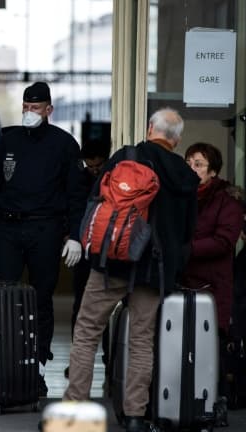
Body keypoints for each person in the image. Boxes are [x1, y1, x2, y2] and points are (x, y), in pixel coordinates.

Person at [64, 108, 200, 432]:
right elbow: (186, 233)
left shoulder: (127, 157)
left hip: (113, 261)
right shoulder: (185, 175)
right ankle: (136, 416)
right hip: (155, 269)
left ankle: (74, 411)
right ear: (177, 139)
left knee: (86, 332)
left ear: (149, 127)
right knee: (142, 340)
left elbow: (96, 202)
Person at [0, 81, 85, 396]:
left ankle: (37, 366)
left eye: (35, 108)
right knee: (0, 297)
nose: (29, 113)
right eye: (26, 107)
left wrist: (75, 236)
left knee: (40, 300)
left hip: (46, 229)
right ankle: (3, 363)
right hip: (8, 228)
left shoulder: (64, 145)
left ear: (49, 110)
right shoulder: (8, 141)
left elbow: (77, 196)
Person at [180, 143, 242, 331]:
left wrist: (186, 249)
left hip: (211, 286)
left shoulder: (229, 200)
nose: (191, 169)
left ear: (213, 171)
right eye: (188, 163)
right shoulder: (181, 197)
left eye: (198, 164)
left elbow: (224, 241)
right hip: (181, 284)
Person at [65, 138, 111, 379]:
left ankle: (109, 358)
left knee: (104, 308)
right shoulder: (79, 179)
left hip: (106, 249)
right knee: (81, 306)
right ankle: (79, 362)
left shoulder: (112, 180)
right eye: (89, 165)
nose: (94, 170)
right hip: (84, 249)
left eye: (98, 166)